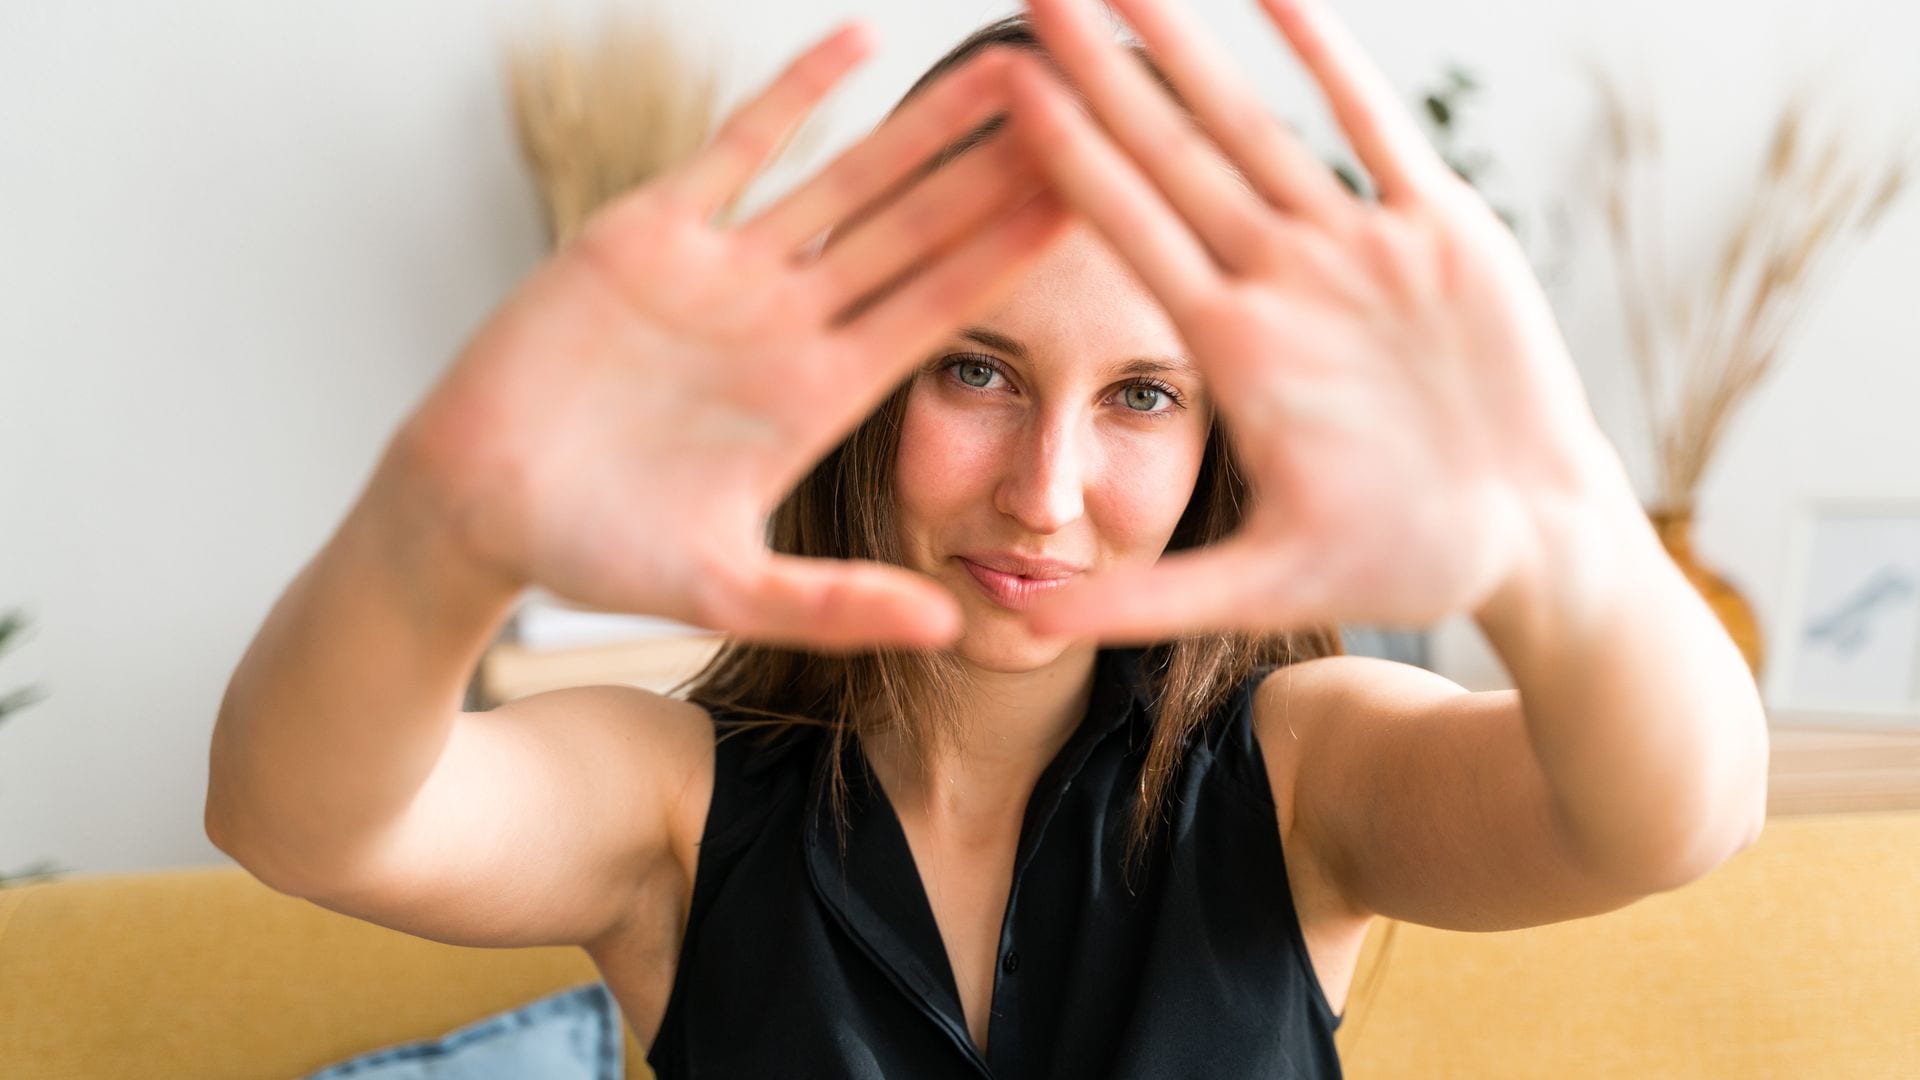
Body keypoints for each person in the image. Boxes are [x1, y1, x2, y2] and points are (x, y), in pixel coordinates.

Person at [205, 0, 1772, 1076]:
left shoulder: (1300, 771)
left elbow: (1668, 820)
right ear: (864, 380)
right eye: (977, 370)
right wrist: (442, 524)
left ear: (1224, 435)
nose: (1046, 489)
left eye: (1145, 395)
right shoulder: (676, 806)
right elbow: (300, 821)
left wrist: (1555, 525)